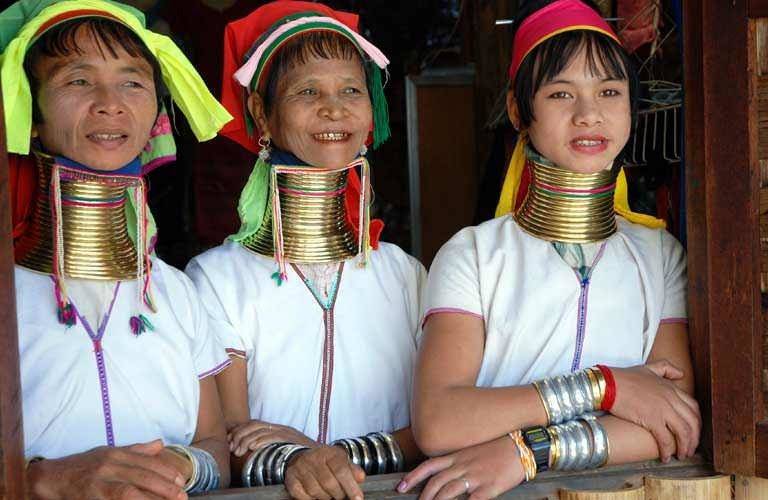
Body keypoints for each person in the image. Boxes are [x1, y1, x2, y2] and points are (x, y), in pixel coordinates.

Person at [399, 1, 699, 498]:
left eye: (609, 91)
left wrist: (527, 452)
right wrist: (608, 386)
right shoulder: (473, 255)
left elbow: (675, 422)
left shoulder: (660, 256)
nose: (589, 114)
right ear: (519, 110)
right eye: (561, 93)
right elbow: (439, 420)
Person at [185, 2, 425, 499]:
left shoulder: (404, 274)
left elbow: (435, 426)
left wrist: (318, 455)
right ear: (261, 114)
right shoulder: (217, 279)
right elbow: (231, 441)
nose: (334, 108)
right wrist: (300, 460)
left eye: (351, 90)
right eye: (307, 91)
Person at [4, 1, 233, 498]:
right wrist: (40, 480)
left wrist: (180, 465)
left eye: (132, 82)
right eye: (78, 80)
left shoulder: (175, 291)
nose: (110, 103)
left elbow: (215, 448)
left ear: (156, 116)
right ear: (32, 113)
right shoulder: (7, 290)